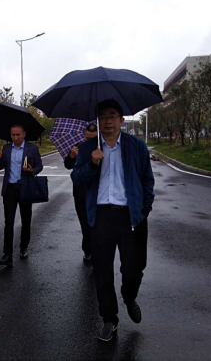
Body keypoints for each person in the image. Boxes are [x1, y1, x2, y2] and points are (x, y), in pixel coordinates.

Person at [71, 100, 155, 342]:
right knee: (102, 271)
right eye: (103, 116)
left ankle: (129, 296)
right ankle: (109, 318)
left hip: (131, 216)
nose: (108, 121)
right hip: (101, 216)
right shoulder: (89, 148)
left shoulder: (136, 146)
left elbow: (147, 181)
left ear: (121, 120)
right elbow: (77, 178)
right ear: (98, 121)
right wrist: (92, 164)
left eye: (112, 115)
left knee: (133, 268)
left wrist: (144, 209)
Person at [0, 124, 43, 267]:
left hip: (25, 188)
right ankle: (7, 254)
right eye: (13, 135)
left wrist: (32, 170)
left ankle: (23, 247)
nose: (15, 137)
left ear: (24, 134)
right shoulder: (6, 148)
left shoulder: (32, 148)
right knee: (8, 222)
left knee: (26, 220)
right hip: (10, 189)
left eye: (18, 135)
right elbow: (1, 166)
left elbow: (39, 166)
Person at [63, 121, 98, 262]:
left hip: (98, 192)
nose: (89, 141)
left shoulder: (103, 148)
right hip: (80, 192)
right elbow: (68, 165)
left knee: (97, 224)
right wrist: (72, 156)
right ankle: (88, 250)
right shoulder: (78, 147)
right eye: (87, 138)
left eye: (93, 138)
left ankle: (98, 251)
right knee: (85, 223)